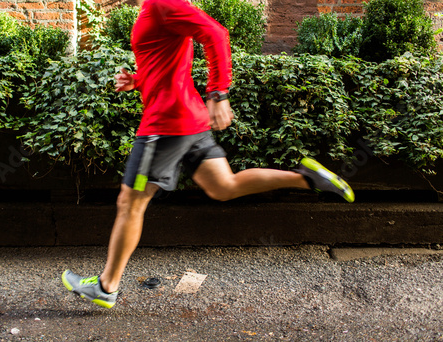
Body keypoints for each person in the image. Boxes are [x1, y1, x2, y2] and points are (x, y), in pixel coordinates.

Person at [61, 0, 355, 309]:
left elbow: (215, 33)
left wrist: (218, 92)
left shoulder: (163, 3)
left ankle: (107, 287)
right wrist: (138, 81)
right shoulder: (154, 6)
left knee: (130, 203)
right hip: (188, 120)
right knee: (223, 186)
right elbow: (167, 61)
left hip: (165, 125)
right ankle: (306, 178)